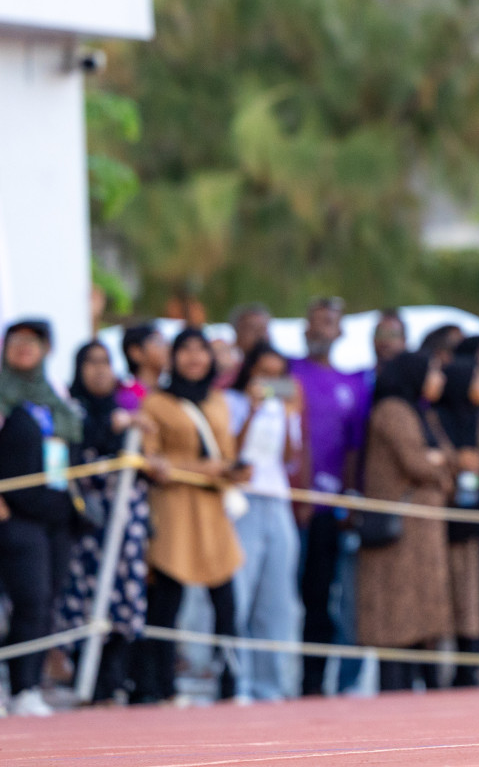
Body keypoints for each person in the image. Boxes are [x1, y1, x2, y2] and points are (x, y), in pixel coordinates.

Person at [0, 319, 81, 717]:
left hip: (55, 515)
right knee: (29, 600)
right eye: (16, 341)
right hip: (14, 517)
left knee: (46, 602)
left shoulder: (56, 396)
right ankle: (21, 687)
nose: (25, 348)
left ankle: (32, 682)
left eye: (34, 341)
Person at [134, 329, 247, 704]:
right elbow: (153, 463)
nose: (195, 357)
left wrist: (233, 470)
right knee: (166, 600)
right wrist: (205, 467)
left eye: (202, 350)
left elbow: (226, 455)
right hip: (175, 509)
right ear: (174, 356)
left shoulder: (218, 402)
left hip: (213, 512)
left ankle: (229, 684)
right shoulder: (155, 404)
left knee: (226, 604)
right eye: (186, 349)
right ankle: (159, 687)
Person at [55, 341, 151, 705]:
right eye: (89, 363)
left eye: (105, 362)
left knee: (123, 592)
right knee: (85, 594)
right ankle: (87, 681)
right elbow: (75, 452)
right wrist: (112, 427)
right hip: (86, 520)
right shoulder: (70, 410)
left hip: (125, 518)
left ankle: (114, 681)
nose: (98, 370)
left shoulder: (126, 408)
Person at [356, 352, 455, 691]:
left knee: (420, 619)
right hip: (400, 533)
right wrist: (438, 467)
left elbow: (449, 459)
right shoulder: (393, 410)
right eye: (433, 372)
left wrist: (440, 463)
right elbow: (417, 463)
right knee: (397, 616)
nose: (439, 380)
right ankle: (395, 693)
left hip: (421, 532)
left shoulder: (421, 412)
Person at [289, 297, 370, 695]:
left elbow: (355, 448)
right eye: (316, 321)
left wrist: (350, 498)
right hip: (285, 505)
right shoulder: (287, 373)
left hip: (329, 510)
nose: (322, 329)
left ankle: (314, 684)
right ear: (305, 328)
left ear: (340, 331)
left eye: (330, 322)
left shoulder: (352, 384)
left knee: (323, 599)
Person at [224, 341, 304, 700]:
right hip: (244, 501)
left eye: (277, 376)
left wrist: (288, 413)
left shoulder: (284, 406)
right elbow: (233, 454)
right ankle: (235, 681)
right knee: (240, 595)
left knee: (277, 599)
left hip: (278, 500)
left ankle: (269, 687)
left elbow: (290, 458)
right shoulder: (232, 402)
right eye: (263, 374)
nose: (270, 382)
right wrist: (254, 412)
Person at [432, 335, 479, 686]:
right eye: (477, 378)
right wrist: (457, 462)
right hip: (442, 521)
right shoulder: (437, 419)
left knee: (471, 598)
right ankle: (434, 673)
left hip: (472, 520)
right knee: (443, 596)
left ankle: (467, 671)